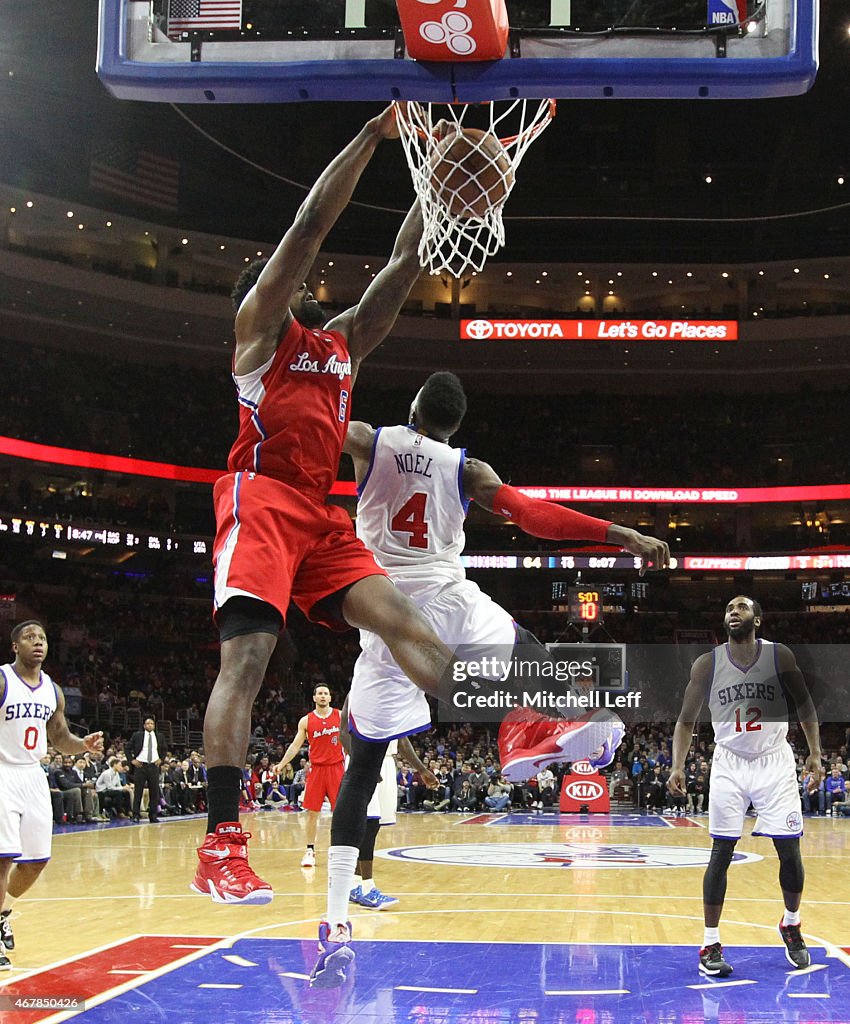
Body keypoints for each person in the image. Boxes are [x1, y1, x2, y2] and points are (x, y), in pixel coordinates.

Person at [192, 105, 487, 909]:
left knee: (407, 624)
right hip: (260, 500)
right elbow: (310, 224)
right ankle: (220, 843)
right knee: (246, 661)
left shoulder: (344, 346)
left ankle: (500, 718)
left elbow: (401, 263)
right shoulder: (259, 334)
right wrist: (374, 138)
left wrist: (435, 175)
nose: (286, 282)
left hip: (321, 516)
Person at [311, 371, 670, 986]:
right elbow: (533, 516)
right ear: (455, 426)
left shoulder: (370, 441)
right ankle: (551, 721)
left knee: (363, 767)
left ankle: (337, 921)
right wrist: (618, 534)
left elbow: (311, 432)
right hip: (450, 601)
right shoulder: (465, 469)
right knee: (526, 650)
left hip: (384, 612)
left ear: (415, 408)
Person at [668, 596, 823, 978]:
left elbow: (804, 706)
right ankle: (710, 942)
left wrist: (816, 753)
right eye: (728, 609)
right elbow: (686, 720)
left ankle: (791, 923)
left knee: (789, 850)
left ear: (757, 618)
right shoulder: (708, 663)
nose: (733, 613)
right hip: (729, 763)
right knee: (721, 852)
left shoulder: (779, 656)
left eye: (741, 607)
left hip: (774, 761)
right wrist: (677, 765)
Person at [0, 621, 103, 970]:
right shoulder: (2, 680)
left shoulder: (52, 691)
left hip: (33, 775)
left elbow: (60, 737)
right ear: (15, 646)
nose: (37, 642)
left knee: (36, 861)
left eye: (42, 637)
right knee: (2, 859)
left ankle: (2, 912)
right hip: (2, 771)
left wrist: (82, 746)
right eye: (29, 638)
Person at [273, 685, 345, 867]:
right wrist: (281, 764)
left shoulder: (340, 715)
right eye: (319, 693)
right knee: (312, 813)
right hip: (317, 770)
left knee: (341, 813)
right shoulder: (306, 721)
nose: (323, 696)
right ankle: (310, 851)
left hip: (336, 768)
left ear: (330, 697)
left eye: (326, 693)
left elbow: (353, 737)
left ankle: (339, 849)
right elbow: (295, 746)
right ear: (314, 698)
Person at [128, 717, 166, 823]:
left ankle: (153, 815)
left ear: (154, 725)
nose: (150, 725)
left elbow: (164, 749)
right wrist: (132, 760)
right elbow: (127, 747)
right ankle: (136, 814)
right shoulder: (137, 735)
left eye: (152, 723)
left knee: (154, 792)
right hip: (140, 765)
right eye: (147, 723)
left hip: (153, 766)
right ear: (144, 725)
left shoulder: (159, 736)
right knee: (138, 791)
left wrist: (161, 760)